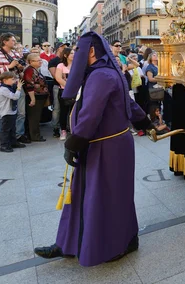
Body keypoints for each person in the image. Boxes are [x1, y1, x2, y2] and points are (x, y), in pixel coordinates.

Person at [33, 31, 153, 266]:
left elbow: (90, 115)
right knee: (84, 195)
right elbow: (128, 104)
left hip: (107, 147)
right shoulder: (105, 73)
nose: (75, 54)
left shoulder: (101, 76)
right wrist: (145, 123)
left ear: (90, 51)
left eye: (78, 49)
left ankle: (120, 243)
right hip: (101, 145)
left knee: (108, 197)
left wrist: (74, 143)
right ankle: (68, 243)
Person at [0, 33, 30, 144]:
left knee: (21, 113)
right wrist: (8, 67)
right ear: (5, 42)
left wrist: (20, 68)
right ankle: (5, 139)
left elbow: (19, 71)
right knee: (2, 114)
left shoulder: (16, 54)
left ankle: (18, 136)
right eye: (13, 40)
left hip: (17, 86)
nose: (14, 42)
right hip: (0, 88)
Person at [0, 72, 27, 153]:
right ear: (5, 80)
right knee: (5, 130)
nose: (15, 80)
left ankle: (13, 142)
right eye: (12, 79)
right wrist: (19, 88)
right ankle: (4, 145)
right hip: (6, 112)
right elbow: (15, 97)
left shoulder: (9, 87)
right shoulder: (4, 89)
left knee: (12, 129)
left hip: (12, 111)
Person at [23, 53, 49, 142]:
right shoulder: (30, 70)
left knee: (36, 117)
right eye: (38, 60)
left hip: (40, 96)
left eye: (40, 60)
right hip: (35, 97)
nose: (40, 62)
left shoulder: (35, 70)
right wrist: (33, 99)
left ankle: (34, 135)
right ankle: (34, 136)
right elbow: (29, 85)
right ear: (31, 61)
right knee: (34, 117)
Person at [48, 43, 69, 138]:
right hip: (58, 87)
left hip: (68, 87)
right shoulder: (54, 61)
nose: (65, 48)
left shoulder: (69, 61)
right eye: (63, 47)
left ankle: (66, 126)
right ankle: (55, 127)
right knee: (57, 108)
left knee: (67, 108)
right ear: (58, 48)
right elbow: (55, 76)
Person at [55, 48, 74, 140]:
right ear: (66, 55)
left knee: (74, 111)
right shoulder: (61, 65)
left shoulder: (77, 65)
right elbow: (58, 78)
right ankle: (63, 130)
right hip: (64, 91)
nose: (73, 55)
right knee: (64, 111)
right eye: (71, 53)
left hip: (76, 91)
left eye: (74, 53)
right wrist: (69, 87)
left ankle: (73, 129)